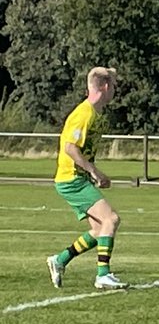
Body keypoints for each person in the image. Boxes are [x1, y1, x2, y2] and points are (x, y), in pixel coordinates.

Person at [45, 66, 128, 290]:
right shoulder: (85, 113)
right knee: (111, 219)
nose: (115, 91)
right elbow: (71, 148)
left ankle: (60, 260)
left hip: (77, 178)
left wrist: (93, 172)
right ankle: (103, 274)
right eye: (114, 85)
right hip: (71, 179)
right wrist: (93, 171)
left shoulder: (97, 114)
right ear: (106, 86)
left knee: (101, 229)